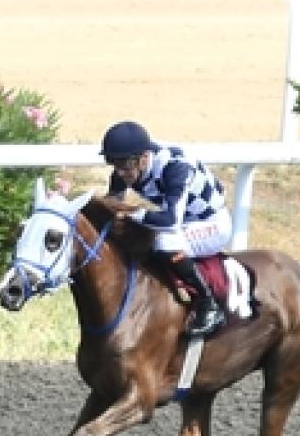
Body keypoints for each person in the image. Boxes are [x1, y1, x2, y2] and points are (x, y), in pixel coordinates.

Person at [99, 119, 232, 337]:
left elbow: (170, 221)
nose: (120, 173)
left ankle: (209, 304)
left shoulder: (175, 167)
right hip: (184, 221)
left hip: (212, 224)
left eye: (124, 165)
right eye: (114, 164)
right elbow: (111, 206)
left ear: (143, 159)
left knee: (164, 241)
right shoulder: (128, 165)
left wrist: (130, 212)